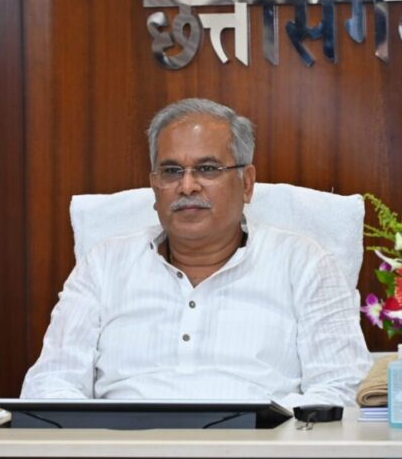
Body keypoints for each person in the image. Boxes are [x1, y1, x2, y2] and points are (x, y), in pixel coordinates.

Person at [21, 98, 372, 407]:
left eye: (207, 169)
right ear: (155, 186)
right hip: (124, 446)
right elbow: (50, 384)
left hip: (259, 446)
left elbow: (342, 386)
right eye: (172, 171)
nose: (187, 186)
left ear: (247, 183)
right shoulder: (104, 264)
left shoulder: (304, 263)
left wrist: (266, 428)